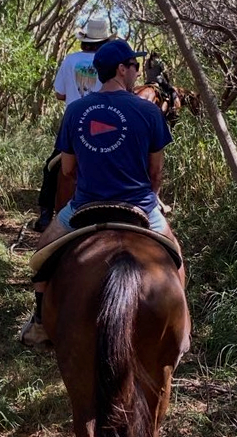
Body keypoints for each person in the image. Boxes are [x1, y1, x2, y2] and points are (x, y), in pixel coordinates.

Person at [20, 38, 184, 347]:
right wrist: (154, 195)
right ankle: (181, 331)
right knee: (175, 257)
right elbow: (156, 171)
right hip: (140, 206)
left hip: (84, 205)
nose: (137, 71)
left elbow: (67, 170)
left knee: (41, 255)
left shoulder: (76, 111)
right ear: (122, 70)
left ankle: (40, 322)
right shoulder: (149, 113)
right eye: (134, 66)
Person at [34, 19, 115, 232]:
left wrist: (75, 92)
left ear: (85, 40)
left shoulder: (70, 60)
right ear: (104, 41)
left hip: (74, 121)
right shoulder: (109, 63)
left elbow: (60, 94)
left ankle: (45, 213)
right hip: (103, 120)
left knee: (53, 165)